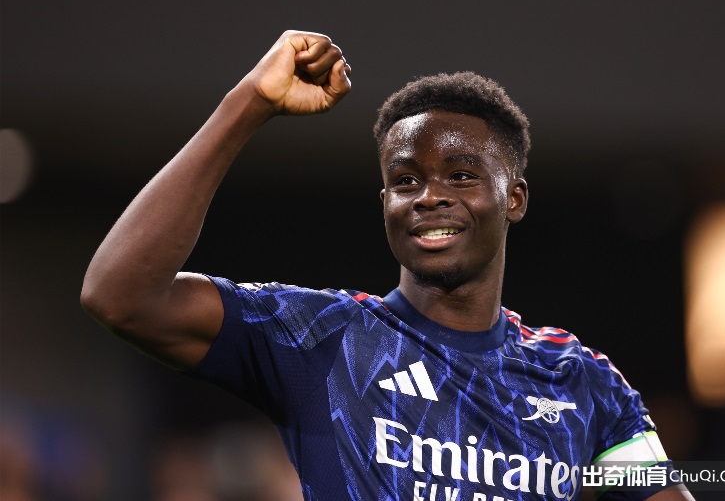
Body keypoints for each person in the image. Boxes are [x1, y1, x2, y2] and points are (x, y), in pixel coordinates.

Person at [81, 30, 693, 501]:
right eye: (406, 181)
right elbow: (119, 296)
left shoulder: (580, 382)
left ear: (514, 198)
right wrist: (249, 104)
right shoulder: (319, 338)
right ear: (385, 204)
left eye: (461, 175)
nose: (429, 196)